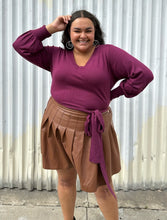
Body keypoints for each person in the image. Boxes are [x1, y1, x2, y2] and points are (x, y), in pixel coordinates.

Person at [13, 10, 153, 220]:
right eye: (76, 30)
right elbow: (21, 45)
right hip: (56, 122)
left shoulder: (108, 54)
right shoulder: (56, 55)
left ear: (95, 33)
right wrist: (50, 28)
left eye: (88, 30)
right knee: (65, 180)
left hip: (91, 129)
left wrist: (112, 94)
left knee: (102, 187)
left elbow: (143, 74)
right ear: (68, 33)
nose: (83, 35)